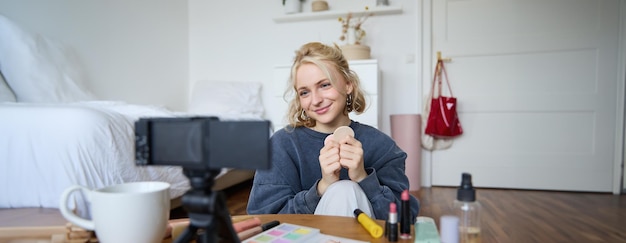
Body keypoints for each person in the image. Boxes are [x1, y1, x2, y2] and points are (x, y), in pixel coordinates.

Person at [246, 42, 419, 221]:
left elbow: (406, 220)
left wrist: (362, 178)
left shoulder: (382, 146)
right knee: (341, 189)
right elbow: (262, 219)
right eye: (304, 92)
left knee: (346, 189)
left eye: (324, 85)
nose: (316, 100)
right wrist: (323, 186)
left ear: (348, 85)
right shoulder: (281, 145)